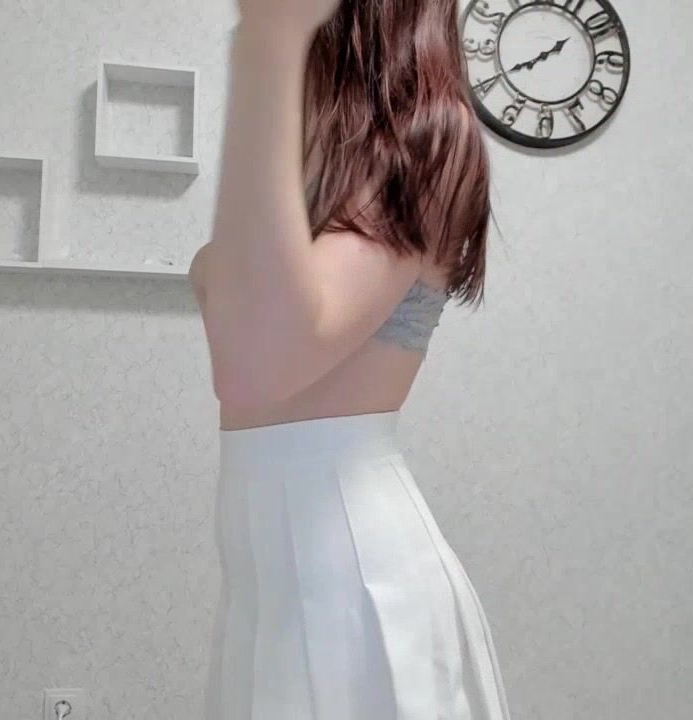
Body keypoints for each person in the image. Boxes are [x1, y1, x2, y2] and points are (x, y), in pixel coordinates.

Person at [189, 0, 511, 716]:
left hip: (354, 585)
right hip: (267, 589)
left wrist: (267, 44)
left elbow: (255, 366)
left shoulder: (432, 136)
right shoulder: (317, 146)